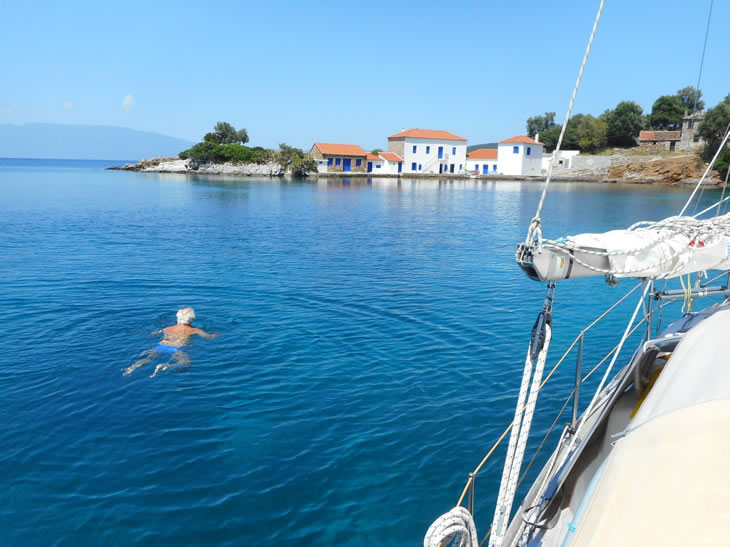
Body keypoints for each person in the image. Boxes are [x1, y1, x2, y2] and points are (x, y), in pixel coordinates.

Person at [124, 308, 217, 377]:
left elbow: (153, 334)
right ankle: (166, 366)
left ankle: (132, 367)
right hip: (176, 349)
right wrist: (217, 334)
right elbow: (209, 337)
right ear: (191, 319)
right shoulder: (194, 330)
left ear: (178, 317)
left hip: (161, 346)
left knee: (149, 358)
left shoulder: (167, 328)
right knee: (185, 363)